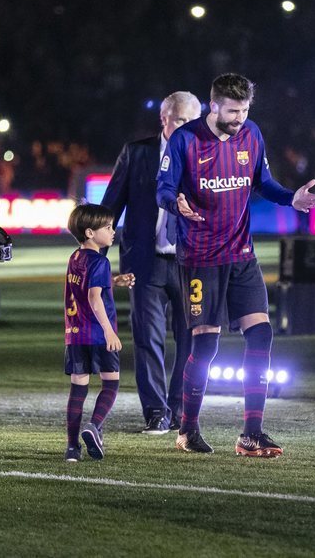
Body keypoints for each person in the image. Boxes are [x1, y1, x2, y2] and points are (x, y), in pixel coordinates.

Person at [156, 73, 315, 457]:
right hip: (200, 258)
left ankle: (251, 433)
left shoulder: (251, 134)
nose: (240, 117)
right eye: (233, 110)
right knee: (206, 344)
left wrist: (290, 199)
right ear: (213, 105)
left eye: (245, 109)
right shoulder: (185, 140)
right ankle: (188, 429)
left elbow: (262, 182)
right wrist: (174, 202)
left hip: (242, 254)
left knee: (261, 335)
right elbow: (163, 187)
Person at [101, 91, 200, 434]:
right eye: (181, 120)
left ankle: (179, 409)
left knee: (191, 340)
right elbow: (110, 208)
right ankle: (156, 412)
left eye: (193, 121)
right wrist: (96, 262)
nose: (187, 127)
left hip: (193, 263)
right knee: (148, 339)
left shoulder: (208, 156)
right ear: (164, 119)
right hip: (144, 263)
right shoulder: (137, 152)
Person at [62, 204, 135, 461]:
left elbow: (87, 287)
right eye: (108, 227)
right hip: (98, 333)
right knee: (111, 383)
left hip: (75, 334)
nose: (113, 231)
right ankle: (94, 426)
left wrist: (113, 282)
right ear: (91, 233)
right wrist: (109, 332)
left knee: (78, 391)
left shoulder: (75, 257)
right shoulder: (101, 261)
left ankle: (72, 448)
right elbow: (94, 298)